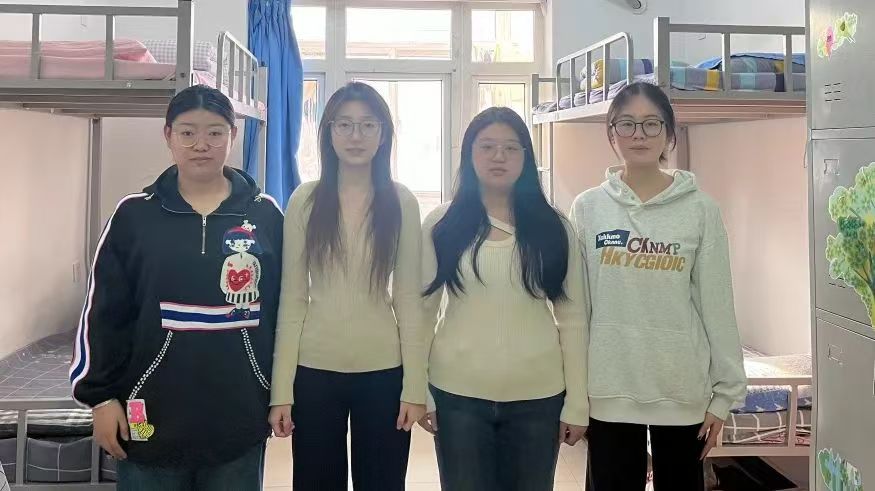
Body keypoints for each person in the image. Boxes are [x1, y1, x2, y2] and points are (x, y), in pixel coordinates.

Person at [69, 84, 283, 490]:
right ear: (168, 135)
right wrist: (100, 397)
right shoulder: (134, 215)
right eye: (187, 132)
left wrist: (280, 393)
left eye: (215, 132)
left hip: (239, 414)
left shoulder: (266, 215)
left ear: (233, 135)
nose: (201, 144)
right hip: (149, 414)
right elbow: (104, 313)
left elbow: (283, 311)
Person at [568, 81, 747, 491]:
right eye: (627, 124)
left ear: (669, 133)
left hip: (682, 392)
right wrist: (574, 394)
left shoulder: (700, 209)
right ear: (611, 132)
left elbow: (717, 304)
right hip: (609, 389)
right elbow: (578, 310)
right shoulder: (588, 208)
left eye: (652, 124)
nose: (639, 135)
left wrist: (724, 395)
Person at [419, 107, 589, 491]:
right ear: (469, 154)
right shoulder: (442, 224)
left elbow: (574, 318)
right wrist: (418, 388)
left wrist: (577, 401)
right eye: (487, 147)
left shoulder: (554, 226)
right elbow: (422, 314)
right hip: (457, 397)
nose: (499, 156)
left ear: (526, 158)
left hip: (538, 399)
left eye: (511, 148)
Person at [269, 82, 427, 491]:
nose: (356, 135)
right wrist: (281, 391)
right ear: (328, 132)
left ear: (383, 133)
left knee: (383, 482)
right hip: (314, 372)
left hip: (384, 371)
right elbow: (292, 299)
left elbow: (409, 299)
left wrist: (415, 387)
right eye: (345, 124)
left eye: (368, 125)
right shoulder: (305, 200)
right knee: (316, 482)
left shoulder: (402, 201)